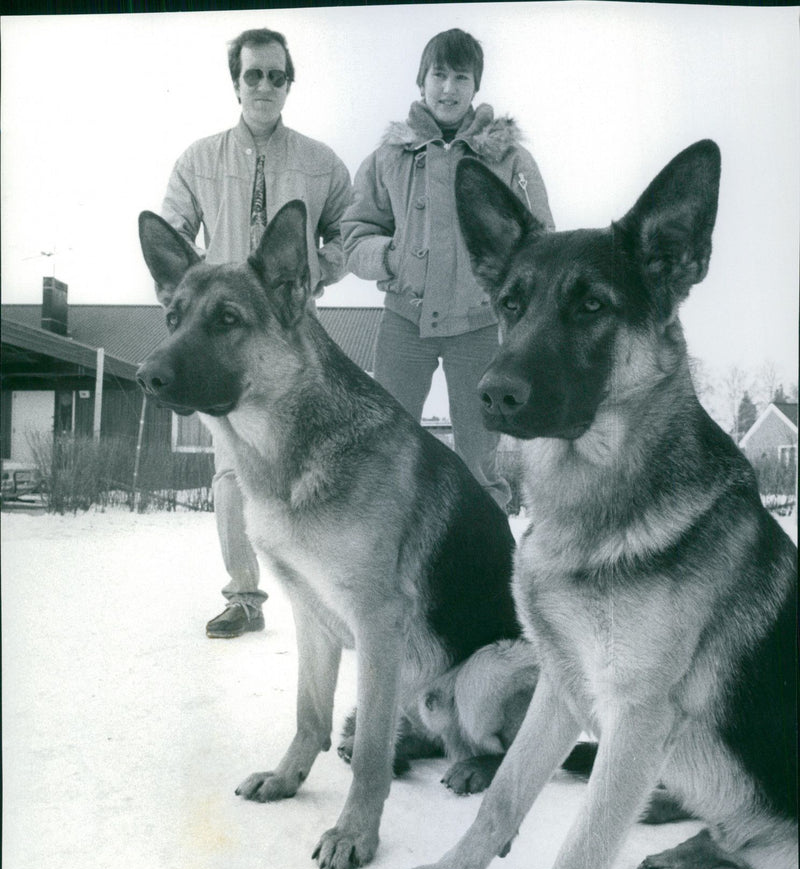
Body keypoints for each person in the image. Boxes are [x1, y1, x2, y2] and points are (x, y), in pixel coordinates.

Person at [159, 28, 352, 638]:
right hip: (222, 345)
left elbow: (353, 230)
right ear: (235, 83)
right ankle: (244, 596)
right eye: (252, 75)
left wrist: (317, 271)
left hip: (296, 340)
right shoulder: (198, 160)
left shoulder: (322, 163)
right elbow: (170, 230)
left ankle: (330, 599)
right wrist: (192, 301)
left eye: (275, 75)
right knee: (231, 470)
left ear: (289, 82)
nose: (263, 85)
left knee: (319, 462)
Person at [341, 28, 553, 510]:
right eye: (439, 75)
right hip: (403, 324)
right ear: (422, 81)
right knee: (385, 449)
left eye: (462, 77)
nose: (449, 88)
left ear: (476, 87)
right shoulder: (387, 158)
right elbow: (352, 235)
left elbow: (541, 241)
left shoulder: (510, 158)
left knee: (480, 458)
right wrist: (390, 258)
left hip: (478, 328)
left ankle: (492, 569)